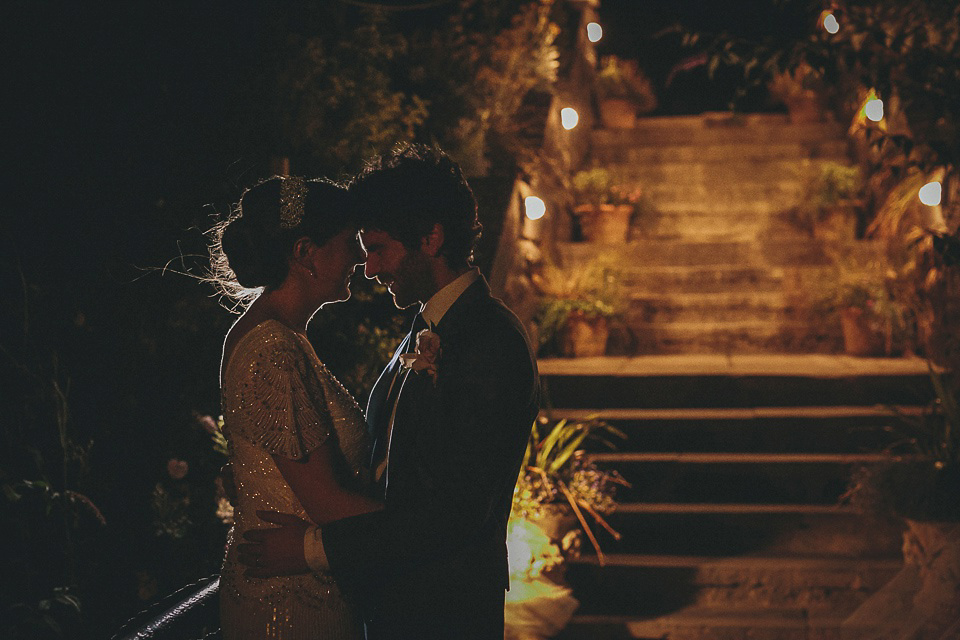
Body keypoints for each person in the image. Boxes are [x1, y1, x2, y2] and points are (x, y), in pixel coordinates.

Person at [241, 145, 540, 639]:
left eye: (379, 249)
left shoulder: (492, 342)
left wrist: (312, 549)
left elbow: (454, 514)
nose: (371, 268)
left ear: (431, 238)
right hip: (394, 604)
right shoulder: (422, 330)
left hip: (444, 610)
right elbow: (389, 472)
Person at [212, 175, 382, 640]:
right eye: (351, 243)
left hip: (298, 587)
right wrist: (431, 524)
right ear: (306, 253)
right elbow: (328, 503)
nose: (361, 258)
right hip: (291, 606)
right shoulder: (274, 350)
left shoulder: (281, 337)